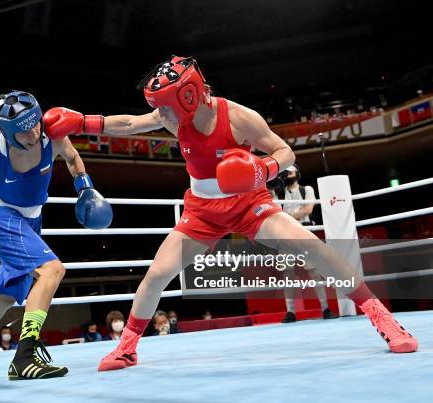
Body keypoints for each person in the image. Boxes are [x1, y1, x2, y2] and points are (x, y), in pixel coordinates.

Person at [42, 56, 418, 372]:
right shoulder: (173, 117)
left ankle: (381, 316)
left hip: (248, 203)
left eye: (168, 102)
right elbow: (128, 123)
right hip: (202, 211)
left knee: (312, 247)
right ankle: (127, 347)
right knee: (157, 273)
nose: (163, 110)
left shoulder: (239, 117)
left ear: (188, 94)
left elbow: (284, 151)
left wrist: (262, 170)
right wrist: (84, 122)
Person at [0, 90, 112, 380]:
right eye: (23, 131)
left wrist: (85, 189)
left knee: (9, 292)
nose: (33, 133)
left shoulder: (54, 136)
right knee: (52, 270)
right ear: (6, 131)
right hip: (4, 215)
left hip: (33, 217)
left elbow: (74, 159)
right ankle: (25, 356)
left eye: (35, 124)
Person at [272, 165, 339, 323]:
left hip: (304, 232)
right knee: (287, 273)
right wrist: (290, 216)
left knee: (314, 271)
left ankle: (325, 308)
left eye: (290, 172)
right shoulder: (277, 192)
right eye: (285, 173)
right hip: (284, 234)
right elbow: (275, 213)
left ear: (297, 173)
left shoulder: (306, 189)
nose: (287, 175)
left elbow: (308, 209)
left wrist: (286, 216)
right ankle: (290, 312)